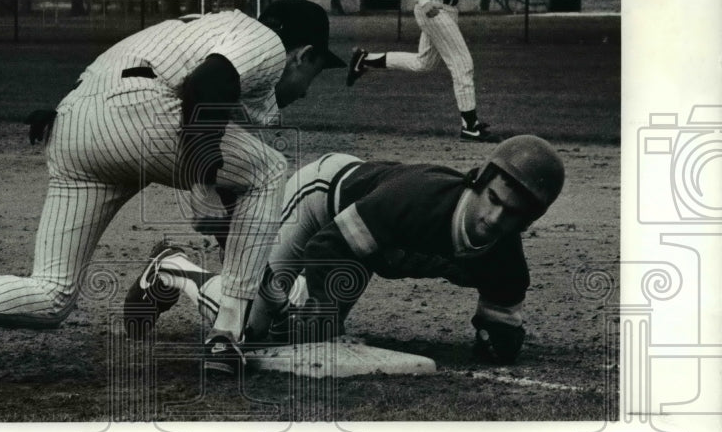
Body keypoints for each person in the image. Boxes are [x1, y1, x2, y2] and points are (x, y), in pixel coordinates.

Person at [0, 0, 345, 388]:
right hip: (141, 116)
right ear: (302, 55)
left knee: (52, 294)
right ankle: (227, 335)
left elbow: (196, 120)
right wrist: (202, 180)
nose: (308, 89)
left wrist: (228, 226)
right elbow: (205, 87)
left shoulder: (202, 26)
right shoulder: (262, 39)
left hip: (71, 127)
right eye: (317, 73)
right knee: (269, 169)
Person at [124, 135, 565, 366]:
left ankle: (241, 265)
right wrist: (302, 295)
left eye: (513, 215)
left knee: (306, 330)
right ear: (480, 180)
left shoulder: (504, 260)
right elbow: (329, 245)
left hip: (363, 239)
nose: (495, 218)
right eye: (494, 200)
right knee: (254, 329)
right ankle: (171, 268)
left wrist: (499, 338)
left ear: (529, 221)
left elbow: (502, 322)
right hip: (323, 200)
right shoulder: (419, 202)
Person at [347, 0, 498, 143]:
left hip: (447, 10)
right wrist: (422, 0)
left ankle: (365, 59)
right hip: (433, 8)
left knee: (424, 62)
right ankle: (470, 126)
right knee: (462, 64)